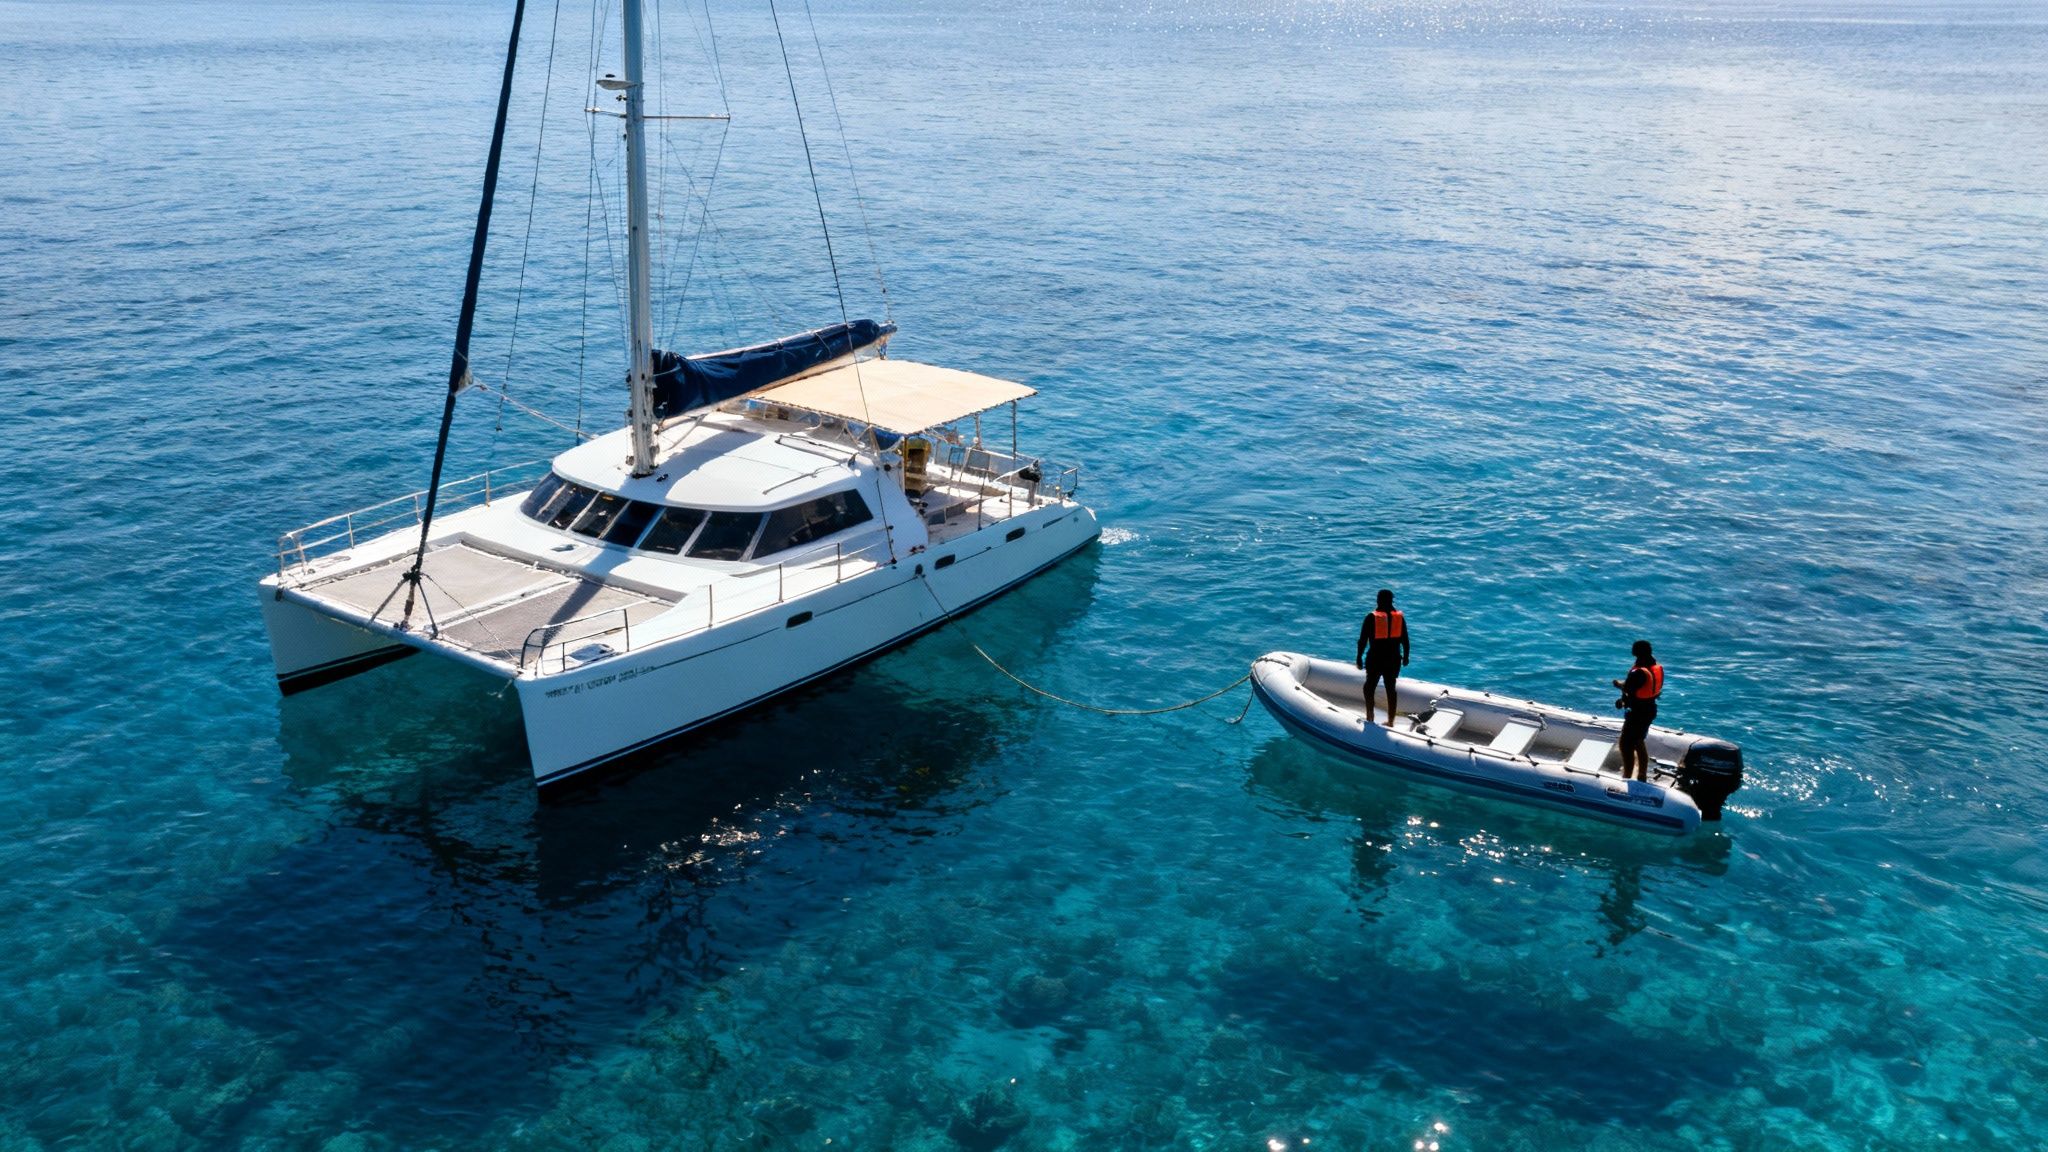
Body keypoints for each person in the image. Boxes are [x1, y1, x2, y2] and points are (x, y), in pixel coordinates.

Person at [1611, 640, 1664, 782]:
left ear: (1636, 652)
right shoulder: (1653, 667)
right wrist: (1623, 701)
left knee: (1626, 744)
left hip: (1637, 713)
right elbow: (1641, 690)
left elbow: (1628, 688)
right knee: (1638, 741)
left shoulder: (1638, 672)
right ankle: (1642, 775)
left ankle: (1627, 777)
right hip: (1649, 709)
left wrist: (1617, 684)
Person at [1355, 589, 1410, 726]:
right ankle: (1391, 721)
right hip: (1393, 659)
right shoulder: (1398, 617)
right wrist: (1406, 657)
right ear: (1392, 601)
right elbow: (1405, 640)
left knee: (1369, 687)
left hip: (1376, 658)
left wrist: (1359, 657)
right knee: (1391, 688)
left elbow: (1363, 640)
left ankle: (1370, 717)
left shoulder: (1371, 617)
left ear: (1378, 600)